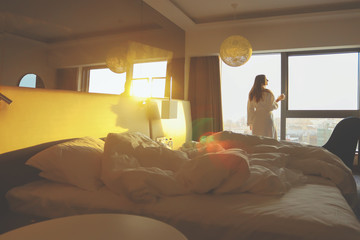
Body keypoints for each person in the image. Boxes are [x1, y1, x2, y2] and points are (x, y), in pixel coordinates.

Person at [247, 74, 285, 139]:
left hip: (257, 120)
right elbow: (270, 107)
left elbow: (250, 110)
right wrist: (278, 100)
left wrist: (250, 123)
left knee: (258, 141)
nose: (267, 80)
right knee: (269, 140)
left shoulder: (252, 94)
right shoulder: (268, 93)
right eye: (266, 79)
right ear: (262, 81)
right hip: (267, 119)